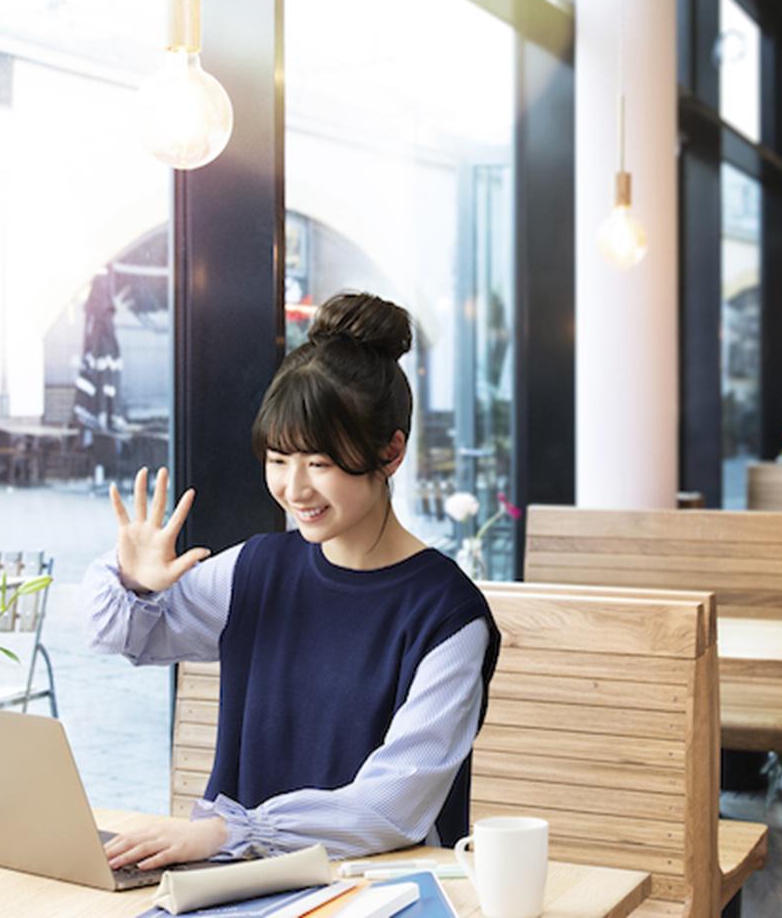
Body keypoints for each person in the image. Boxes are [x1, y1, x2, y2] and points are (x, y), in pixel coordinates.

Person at [83, 292, 501, 872]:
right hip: (238, 889)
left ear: (391, 451)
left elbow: (393, 805)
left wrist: (230, 832)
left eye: (321, 463)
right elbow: (125, 637)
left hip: (377, 896)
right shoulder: (257, 570)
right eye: (279, 459)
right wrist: (135, 583)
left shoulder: (447, 615)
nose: (294, 488)